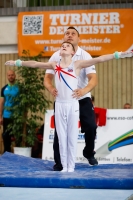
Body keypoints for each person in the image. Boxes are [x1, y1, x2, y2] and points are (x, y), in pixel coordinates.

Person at [5, 42, 133, 172]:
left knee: (71, 137)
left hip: (73, 105)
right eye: (62, 46)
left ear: (73, 52)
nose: (63, 46)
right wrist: (18, 63)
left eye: (67, 46)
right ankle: (64, 166)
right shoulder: (55, 64)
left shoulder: (77, 64)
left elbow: (99, 59)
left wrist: (118, 55)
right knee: (61, 137)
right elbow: (36, 64)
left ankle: (70, 167)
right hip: (59, 105)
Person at [44, 27, 98, 171]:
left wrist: (83, 91)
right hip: (63, 100)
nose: (69, 35)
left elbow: (93, 79)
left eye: (73, 34)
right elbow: (47, 78)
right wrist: (51, 89)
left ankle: (88, 152)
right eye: (67, 33)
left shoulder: (85, 55)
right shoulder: (56, 55)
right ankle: (60, 162)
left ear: (78, 39)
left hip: (82, 97)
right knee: (59, 132)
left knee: (91, 126)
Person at [0, 70, 19, 153]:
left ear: (15, 76)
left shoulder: (19, 88)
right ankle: (6, 153)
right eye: (9, 75)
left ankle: (17, 153)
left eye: (12, 75)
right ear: (7, 77)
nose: (11, 76)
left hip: (17, 116)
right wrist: (0, 116)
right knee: (6, 135)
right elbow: (1, 102)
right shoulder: (4, 89)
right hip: (6, 116)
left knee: (17, 136)